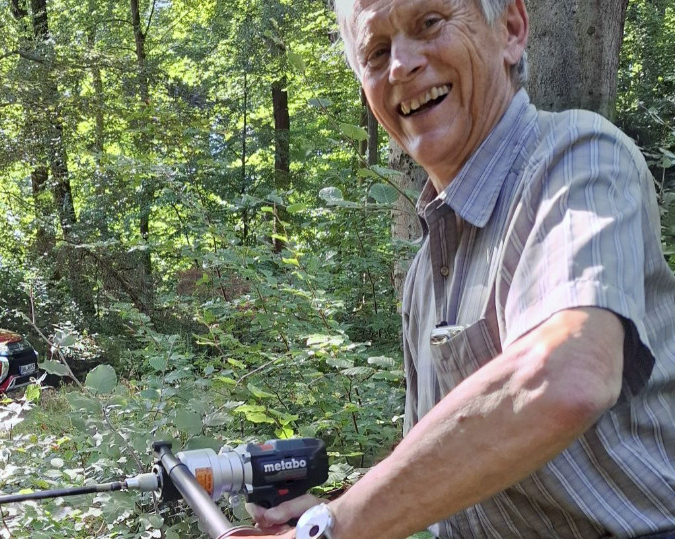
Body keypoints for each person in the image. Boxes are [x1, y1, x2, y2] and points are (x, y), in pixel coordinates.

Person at [248, 0, 675, 537]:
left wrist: (331, 526)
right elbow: (444, 472)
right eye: (376, 52)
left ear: (511, 29)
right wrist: (328, 509)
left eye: (429, 23)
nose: (400, 66)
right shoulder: (423, 277)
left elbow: (568, 375)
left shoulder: (581, 159)